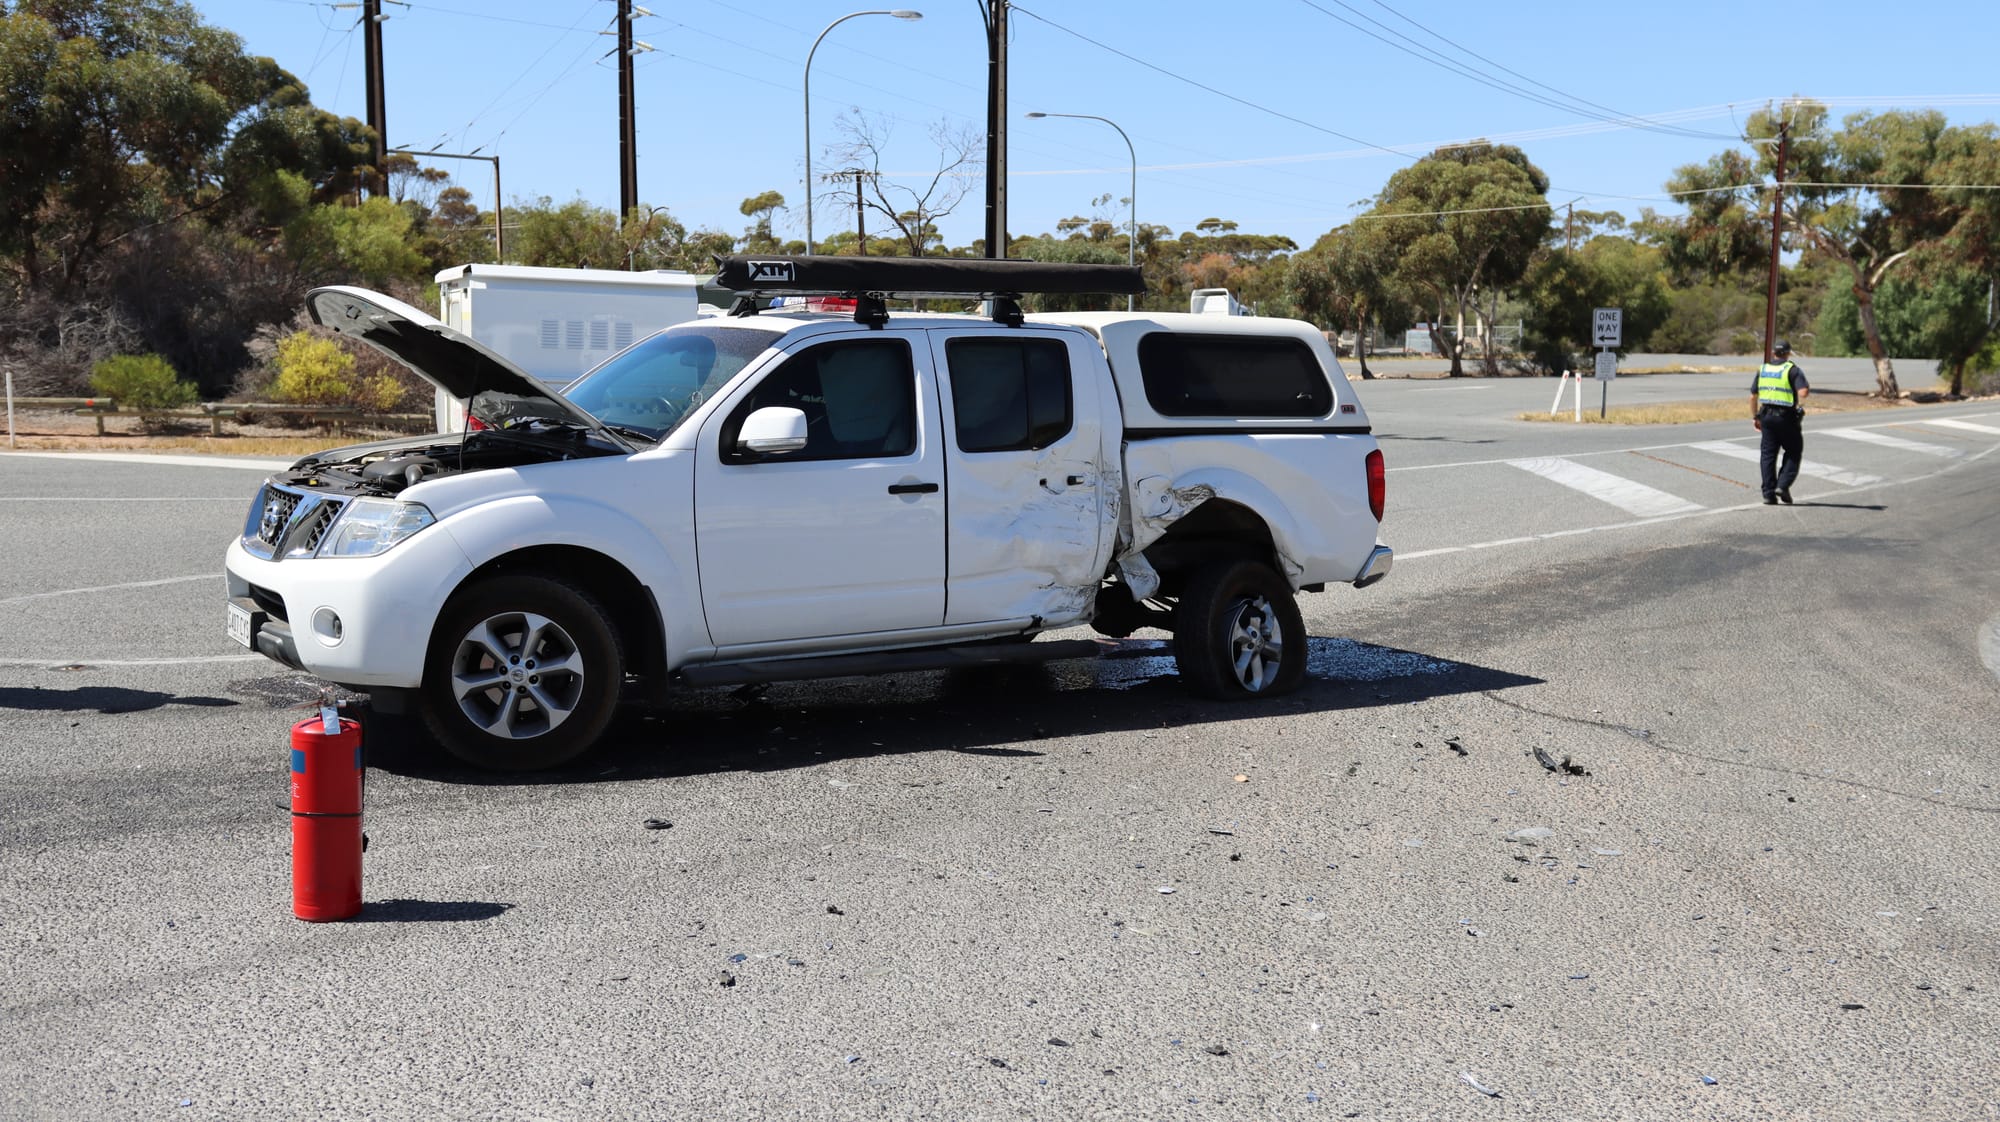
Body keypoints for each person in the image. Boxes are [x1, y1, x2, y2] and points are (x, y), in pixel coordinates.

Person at [1751, 340, 1810, 504]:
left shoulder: (1763, 369)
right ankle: (1783, 485)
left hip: (1767, 416)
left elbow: (1752, 396)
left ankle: (1768, 494)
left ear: (1773, 353)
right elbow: (1803, 392)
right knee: (1793, 451)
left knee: (1768, 455)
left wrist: (1755, 416)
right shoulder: (1792, 370)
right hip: (1786, 417)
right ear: (1788, 353)